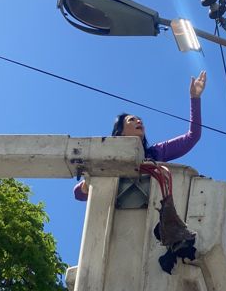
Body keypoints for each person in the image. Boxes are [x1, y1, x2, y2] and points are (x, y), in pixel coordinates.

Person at [74, 70, 207, 201]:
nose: (139, 121)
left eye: (139, 119)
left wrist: (195, 98)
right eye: (131, 120)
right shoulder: (108, 157)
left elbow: (192, 137)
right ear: (121, 132)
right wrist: (88, 184)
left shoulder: (154, 153)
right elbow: (78, 194)